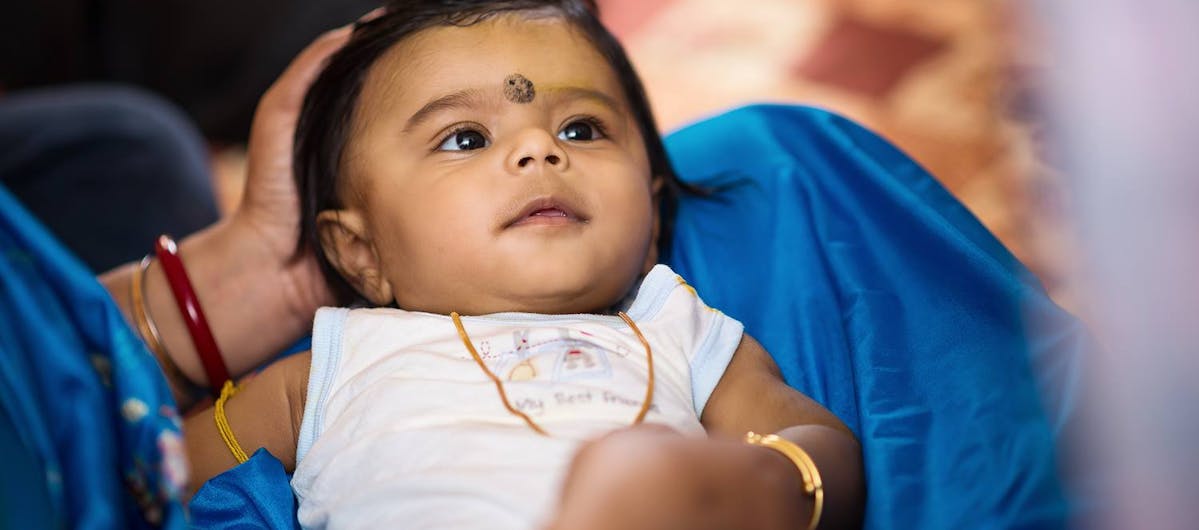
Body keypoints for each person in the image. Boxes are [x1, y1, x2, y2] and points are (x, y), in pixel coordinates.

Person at [108, 1, 864, 528]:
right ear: (359, 254)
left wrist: (770, 485)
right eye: (465, 137)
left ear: (652, 211)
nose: (541, 150)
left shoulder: (671, 325)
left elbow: (813, 436)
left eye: (581, 126)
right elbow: (144, 470)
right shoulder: (333, 364)